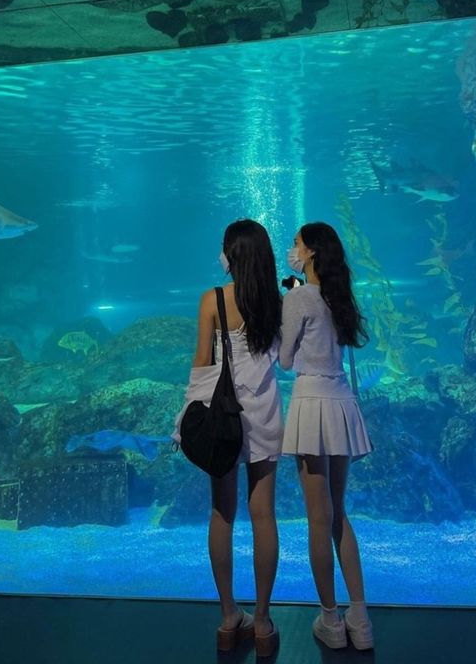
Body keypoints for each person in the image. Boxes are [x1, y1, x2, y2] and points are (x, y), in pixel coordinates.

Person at [173, 219, 283, 657]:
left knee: (222, 513)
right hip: (266, 412)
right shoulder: (277, 301)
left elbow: (203, 363)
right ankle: (262, 619)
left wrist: (186, 416)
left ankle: (226, 617)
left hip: (223, 419)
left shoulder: (213, 300)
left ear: (230, 256)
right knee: (264, 516)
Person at [279, 221, 374, 651]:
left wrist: (290, 301)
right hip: (341, 403)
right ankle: (361, 616)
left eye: (297, 243)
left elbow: (283, 360)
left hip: (311, 402)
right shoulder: (340, 297)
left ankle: (331, 622)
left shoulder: (298, 297)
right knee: (340, 514)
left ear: (312, 251)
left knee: (318, 517)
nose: (292, 248)